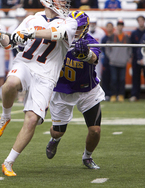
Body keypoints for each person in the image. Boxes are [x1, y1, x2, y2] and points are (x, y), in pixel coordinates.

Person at [0, 0, 77, 176]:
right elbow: (10, 43)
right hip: (26, 63)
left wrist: (32, 33)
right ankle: (5, 116)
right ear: (47, 0)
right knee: (10, 84)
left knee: (32, 119)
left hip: (47, 73)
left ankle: (8, 162)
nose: (64, 3)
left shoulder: (68, 22)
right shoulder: (31, 19)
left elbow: (58, 34)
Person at [45, 10, 104, 169]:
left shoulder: (91, 42)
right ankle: (55, 140)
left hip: (87, 90)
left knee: (95, 130)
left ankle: (87, 156)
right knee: (57, 132)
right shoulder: (56, 39)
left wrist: (84, 53)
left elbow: (94, 58)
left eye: (79, 28)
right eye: (73, 27)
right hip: (62, 90)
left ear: (85, 28)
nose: (75, 31)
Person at [105, 19, 131, 102]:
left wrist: (127, 58)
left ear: (123, 26)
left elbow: (129, 49)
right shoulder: (112, 36)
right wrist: (111, 57)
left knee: (122, 80)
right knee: (114, 79)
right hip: (114, 62)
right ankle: (113, 95)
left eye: (121, 25)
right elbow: (107, 48)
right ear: (117, 26)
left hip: (123, 62)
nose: (120, 27)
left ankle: (121, 95)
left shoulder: (126, 37)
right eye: (119, 25)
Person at [129, 15, 145, 102]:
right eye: (139, 21)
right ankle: (135, 95)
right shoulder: (134, 33)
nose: (141, 22)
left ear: (144, 21)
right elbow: (131, 47)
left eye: (142, 20)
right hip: (136, 58)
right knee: (135, 77)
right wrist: (132, 56)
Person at [101, 22, 114, 100]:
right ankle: (106, 94)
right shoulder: (104, 38)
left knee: (114, 78)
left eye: (110, 26)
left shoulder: (114, 37)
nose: (109, 28)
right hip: (106, 60)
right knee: (105, 78)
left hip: (114, 60)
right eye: (108, 26)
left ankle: (113, 94)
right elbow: (103, 50)